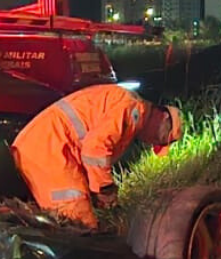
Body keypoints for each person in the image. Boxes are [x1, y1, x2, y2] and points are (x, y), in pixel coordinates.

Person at [11, 84, 182, 229]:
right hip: (49, 146)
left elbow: (91, 153)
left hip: (48, 145)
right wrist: (105, 188)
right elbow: (95, 150)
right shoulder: (132, 109)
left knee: (66, 224)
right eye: (159, 139)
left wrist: (98, 191)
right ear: (163, 117)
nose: (151, 142)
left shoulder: (131, 112)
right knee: (78, 223)